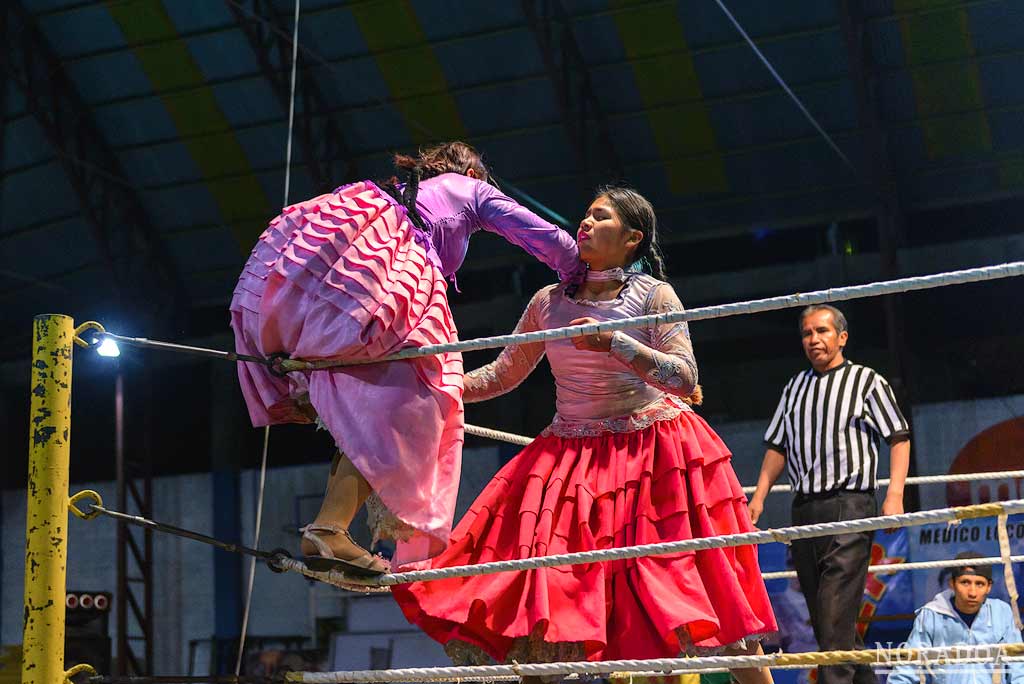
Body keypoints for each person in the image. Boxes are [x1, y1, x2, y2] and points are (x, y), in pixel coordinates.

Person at [392, 187, 777, 684]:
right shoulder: (547, 302)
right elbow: (504, 374)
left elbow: (684, 377)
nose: (585, 223)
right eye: (586, 214)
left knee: (714, 608)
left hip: (654, 454)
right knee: (545, 605)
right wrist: (436, 386)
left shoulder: (655, 295)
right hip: (572, 460)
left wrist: (617, 343)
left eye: (601, 216)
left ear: (632, 238)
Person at [230, 142, 582, 575]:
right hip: (369, 284)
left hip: (311, 284)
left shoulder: (396, 192)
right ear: (472, 173)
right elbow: (537, 233)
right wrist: (581, 271)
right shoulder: (466, 189)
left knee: (372, 407)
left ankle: (328, 530)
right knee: (411, 396)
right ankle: (335, 529)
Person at [747, 304, 912, 684]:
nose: (813, 340)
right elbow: (777, 447)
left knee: (834, 611)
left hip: (851, 505)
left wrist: (895, 493)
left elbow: (898, 438)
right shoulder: (794, 387)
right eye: (807, 333)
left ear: (842, 337)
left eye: (821, 331)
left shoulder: (867, 381)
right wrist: (759, 497)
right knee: (829, 622)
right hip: (805, 510)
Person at [887, 552, 1024, 684]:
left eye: (980, 584)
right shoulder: (931, 615)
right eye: (965, 582)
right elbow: (907, 668)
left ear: (989, 587)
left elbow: (1018, 668)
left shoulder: (1001, 612)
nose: (972, 592)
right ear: (952, 583)